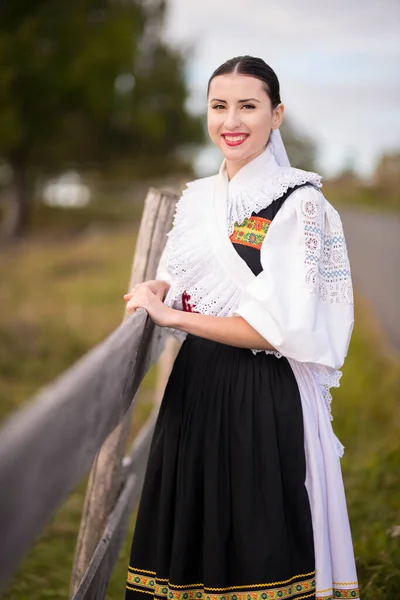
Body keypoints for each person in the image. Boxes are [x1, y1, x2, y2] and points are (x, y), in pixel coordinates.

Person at [123, 56, 360, 600]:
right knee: (192, 546)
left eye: (248, 106)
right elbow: (180, 275)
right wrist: (160, 288)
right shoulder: (199, 197)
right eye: (219, 105)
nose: (232, 120)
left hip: (260, 395)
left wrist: (174, 315)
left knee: (256, 546)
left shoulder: (299, 204)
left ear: (276, 115)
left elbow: (280, 329)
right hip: (196, 387)